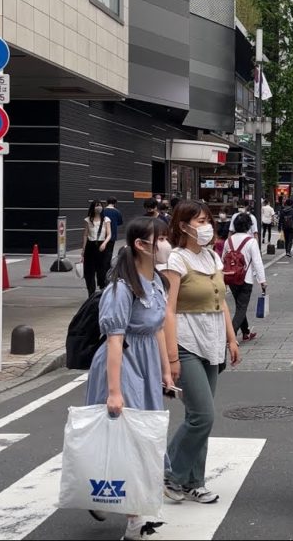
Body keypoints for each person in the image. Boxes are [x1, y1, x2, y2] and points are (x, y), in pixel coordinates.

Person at [84, 216, 175, 540]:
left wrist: (165, 371)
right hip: (123, 364)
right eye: (160, 238)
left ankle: (108, 496)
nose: (166, 244)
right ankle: (134, 519)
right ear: (140, 245)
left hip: (146, 363)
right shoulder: (122, 288)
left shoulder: (158, 282)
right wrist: (114, 391)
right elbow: (114, 339)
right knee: (131, 438)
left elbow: (157, 329)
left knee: (141, 436)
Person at [161, 200, 241, 505]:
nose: (207, 226)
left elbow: (221, 303)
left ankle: (194, 482)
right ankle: (170, 473)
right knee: (203, 417)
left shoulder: (212, 257)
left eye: (208, 220)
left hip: (212, 343)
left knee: (198, 417)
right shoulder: (176, 260)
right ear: (183, 226)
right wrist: (171, 357)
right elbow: (168, 310)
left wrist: (231, 339)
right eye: (200, 221)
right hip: (186, 343)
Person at [223, 213, 266, 342]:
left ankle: (246, 332)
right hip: (245, 278)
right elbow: (257, 262)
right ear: (248, 226)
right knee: (242, 307)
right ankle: (230, 335)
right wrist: (262, 281)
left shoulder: (228, 241)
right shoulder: (251, 241)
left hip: (231, 278)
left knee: (240, 305)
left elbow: (223, 259)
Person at [82, 200, 113, 297]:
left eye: (100, 205)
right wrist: (83, 249)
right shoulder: (88, 220)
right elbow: (85, 235)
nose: (98, 207)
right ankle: (91, 294)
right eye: (96, 206)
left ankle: (102, 291)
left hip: (101, 245)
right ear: (93, 207)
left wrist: (104, 243)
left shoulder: (106, 219)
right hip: (90, 246)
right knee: (89, 271)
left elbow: (109, 234)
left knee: (102, 269)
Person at [102, 196, 124, 267]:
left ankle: (101, 266)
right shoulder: (117, 212)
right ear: (115, 203)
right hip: (112, 235)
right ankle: (107, 267)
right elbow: (120, 222)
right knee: (109, 251)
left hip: (102, 234)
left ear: (107, 202)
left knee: (101, 251)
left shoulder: (102, 211)